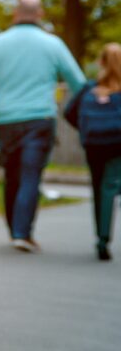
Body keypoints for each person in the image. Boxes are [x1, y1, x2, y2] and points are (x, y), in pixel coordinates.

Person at [0, 0, 85, 252]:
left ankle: (14, 230)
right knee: (30, 175)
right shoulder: (53, 44)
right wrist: (86, 116)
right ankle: (22, 232)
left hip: (6, 120)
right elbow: (78, 84)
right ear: (39, 14)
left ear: (15, 14)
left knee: (13, 175)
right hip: (39, 119)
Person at [63, 43, 121, 261]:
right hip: (117, 145)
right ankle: (104, 237)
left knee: (99, 189)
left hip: (94, 145)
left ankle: (102, 238)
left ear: (101, 62)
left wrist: (89, 129)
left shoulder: (89, 89)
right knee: (111, 185)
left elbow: (69, 113)